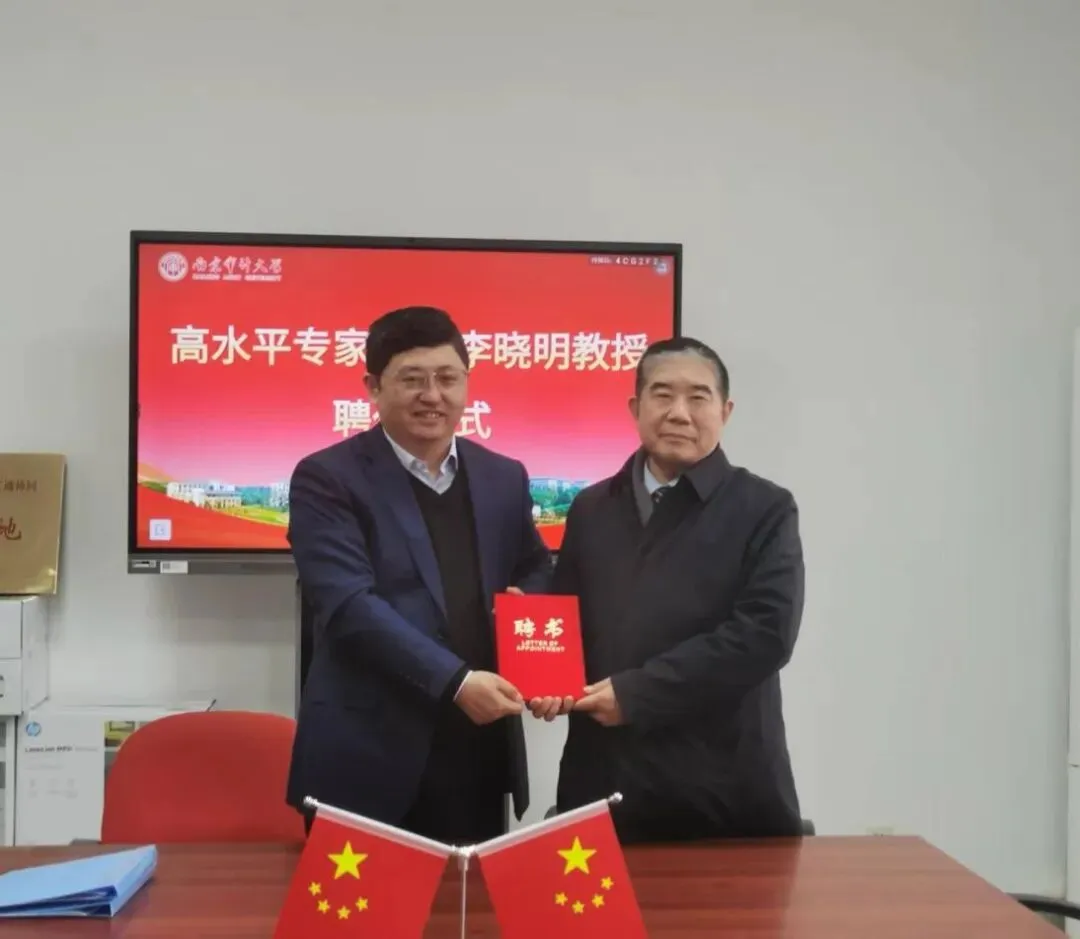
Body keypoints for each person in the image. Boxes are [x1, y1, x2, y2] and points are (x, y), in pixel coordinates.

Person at [286, 306, 552, 845]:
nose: (433, 395)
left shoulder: (503, 476)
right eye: (412, 379)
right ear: (373, 387)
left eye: (448, 378)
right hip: (367, 755)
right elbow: (349, 606)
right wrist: (456, 682)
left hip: (477, 749)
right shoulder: (326, 478)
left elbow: (534, 564)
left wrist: (528, 610)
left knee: (469, 899)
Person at [537, 336, 805, 842]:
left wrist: (637, 693)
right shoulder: (592, 508)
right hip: (603, 779)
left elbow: (765, 635)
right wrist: (534, 653)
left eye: (698, 397)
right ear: (635, 407)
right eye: (662, 395)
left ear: (725, 411)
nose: (679, 413)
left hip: (723, 787)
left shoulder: (763, 508)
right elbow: (566, 620)